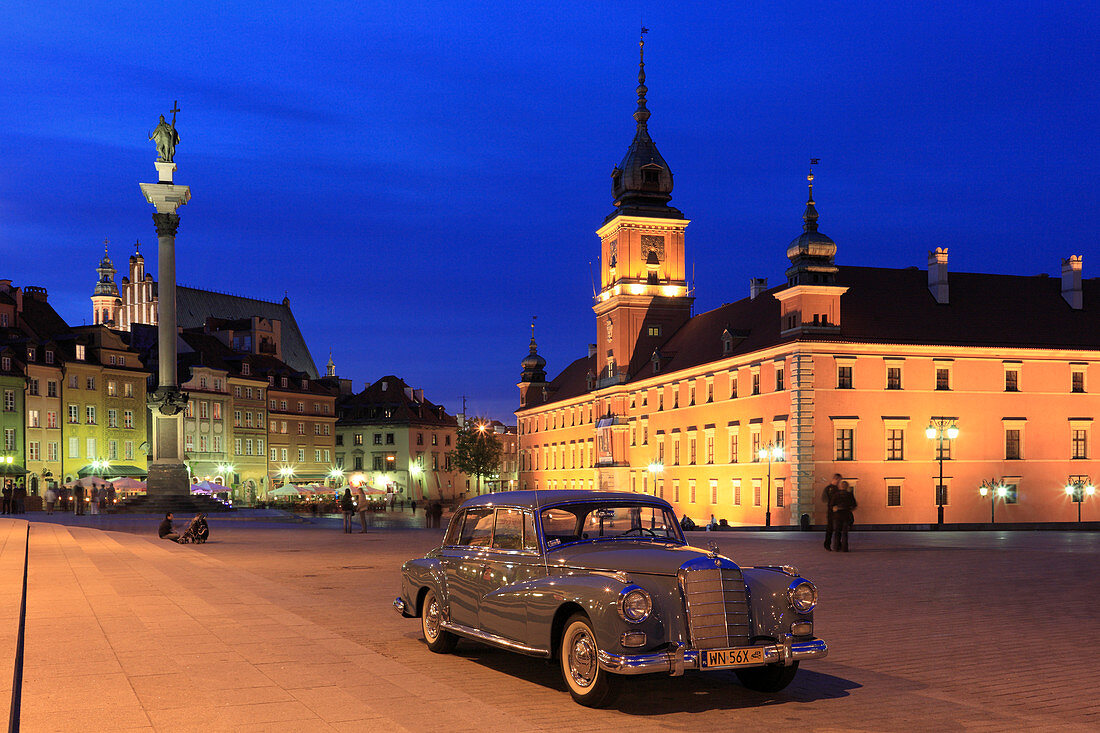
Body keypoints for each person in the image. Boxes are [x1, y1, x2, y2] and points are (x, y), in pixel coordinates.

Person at [831, 480, 858, 552]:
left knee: (837, 532)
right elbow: (854, 505)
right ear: (847, 487)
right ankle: (844, 548)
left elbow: (832, 505)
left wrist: (835, 508)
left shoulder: (836, 494)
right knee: (845, 532)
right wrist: (849, 509)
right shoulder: (849, 495)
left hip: (837, 515)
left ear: (841, 486)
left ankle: (836, 547)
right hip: (846, 514)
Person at [822, 473, 842, 551]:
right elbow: (824, 499)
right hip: (831, 511)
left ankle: (837, 544)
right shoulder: (830, 489)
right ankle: (828, 544)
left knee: (837, 528)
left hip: (835, 511)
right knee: (830, 528)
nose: (839, 482)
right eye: (839, 480)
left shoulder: (835, 489)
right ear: (835, 479)